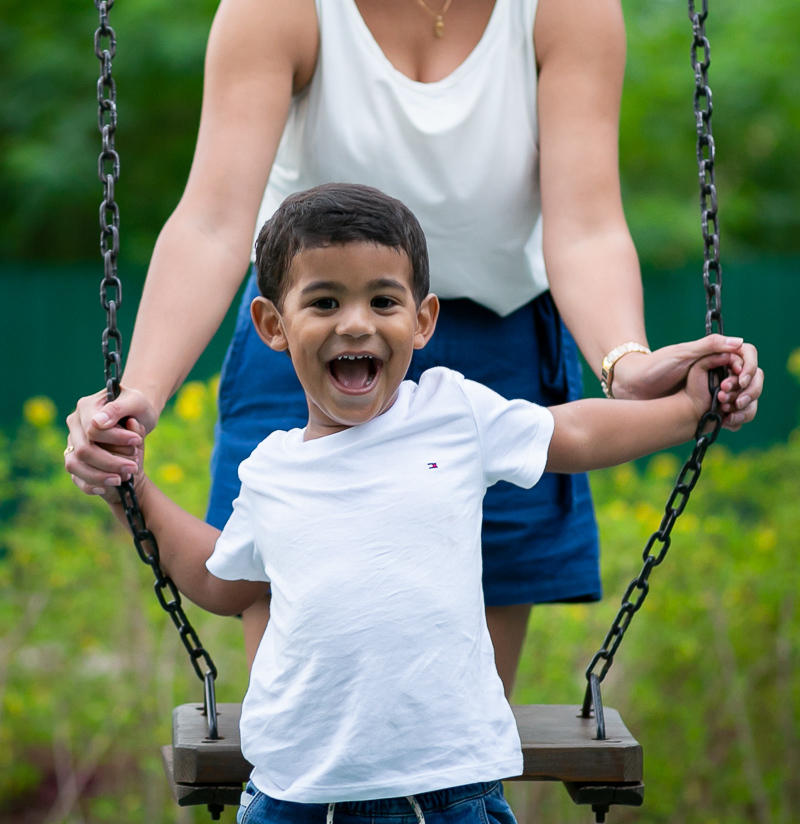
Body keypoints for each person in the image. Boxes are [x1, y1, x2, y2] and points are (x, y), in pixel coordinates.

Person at [64, 0, 763, 693]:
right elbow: (214, 218)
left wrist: (626, 365)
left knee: (456, 714)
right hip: (305, 351)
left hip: (497, 356)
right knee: (304, 698)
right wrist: (140, 400)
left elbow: (583, 222)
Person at [84, 184, 753, 824]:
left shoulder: (452, 412)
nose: (356, 324)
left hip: (452, 794)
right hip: (296, 798)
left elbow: (574, 433)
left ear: (423, 319)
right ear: (272, 325)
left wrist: (687, 410)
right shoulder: (271, 471)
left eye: (383, 301)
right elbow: (221, 583)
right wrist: (129, 489)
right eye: (324, 302)